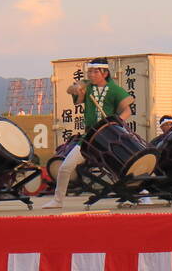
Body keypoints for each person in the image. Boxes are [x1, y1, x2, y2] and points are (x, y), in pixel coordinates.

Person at [39, 58, 134, 209]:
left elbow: (127, 110)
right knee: (65, 167)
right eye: (89, 71)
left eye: (94, 71)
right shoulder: (87, 85)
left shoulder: (114, 90)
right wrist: (77, 89)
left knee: (122, 168)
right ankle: (58, 200)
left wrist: (114, 123)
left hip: (108, 137)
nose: (91, 74)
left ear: (104, 73)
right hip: (89, 137)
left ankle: (141, 195)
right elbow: (71, 89)